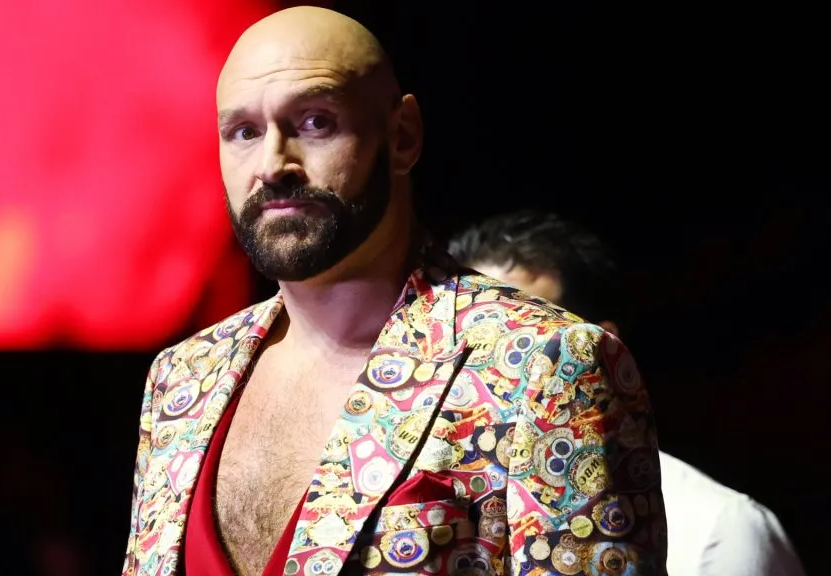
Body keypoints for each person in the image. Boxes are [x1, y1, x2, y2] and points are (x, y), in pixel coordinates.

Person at [122, 7, 667, 576]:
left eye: (315, 122)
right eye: (244, 132)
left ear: (403, 135)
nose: (272, 165)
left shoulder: (543, 365)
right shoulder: (182, 379)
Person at [448, 209, 807, 576]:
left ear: (602, 347)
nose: (486, 367)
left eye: (523, 342)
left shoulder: (717, 533)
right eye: (466, 337)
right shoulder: (428, 511)